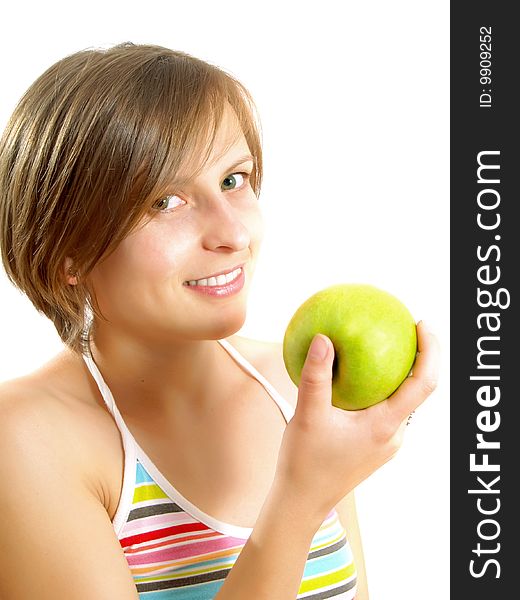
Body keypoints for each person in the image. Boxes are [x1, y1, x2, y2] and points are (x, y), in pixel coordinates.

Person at [0, 43, 439, 599]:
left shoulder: (292, 390)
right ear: (67, 253)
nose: (232, 234)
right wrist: (301, 497)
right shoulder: (25, 439)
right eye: (164, 201)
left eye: (234, 180)